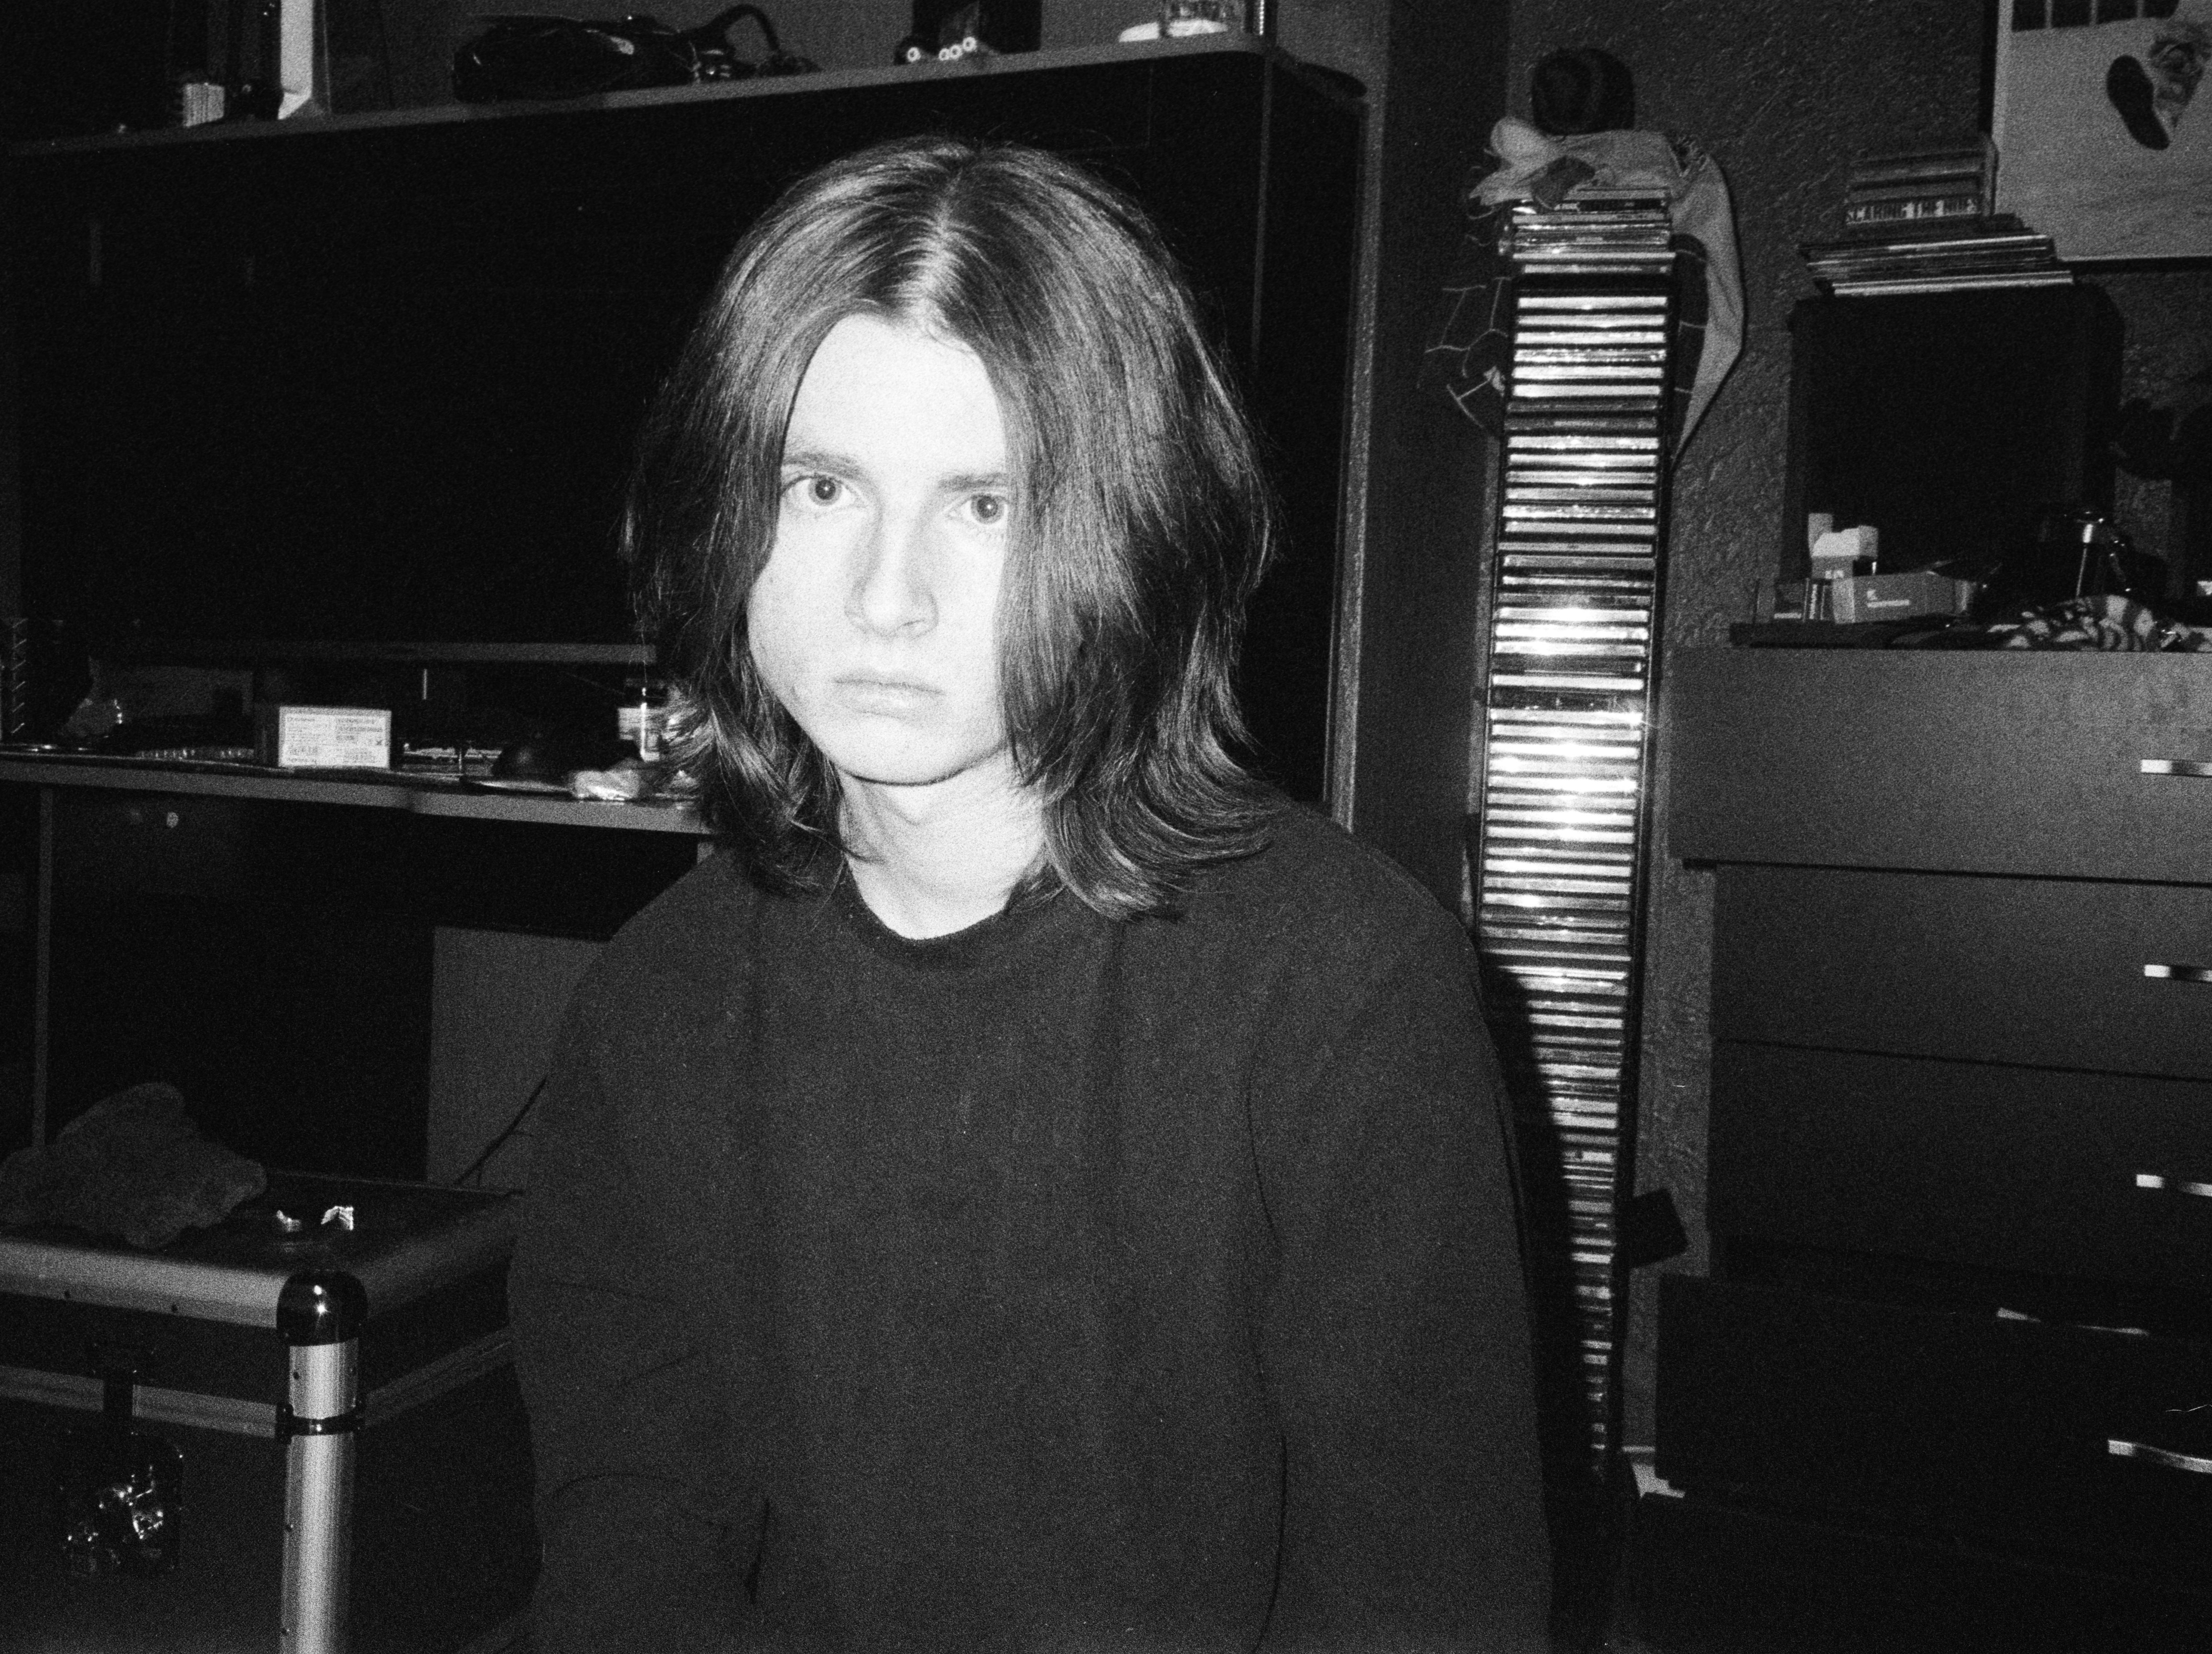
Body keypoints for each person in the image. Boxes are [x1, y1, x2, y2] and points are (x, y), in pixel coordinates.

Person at [510, 134, 1551, 1653]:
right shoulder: (654, 1001)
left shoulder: (1348, 989)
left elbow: (1423, 1602)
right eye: (822, 486)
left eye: (985, 504)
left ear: (1126, 531)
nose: (886, 596)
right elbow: (630, 1543)